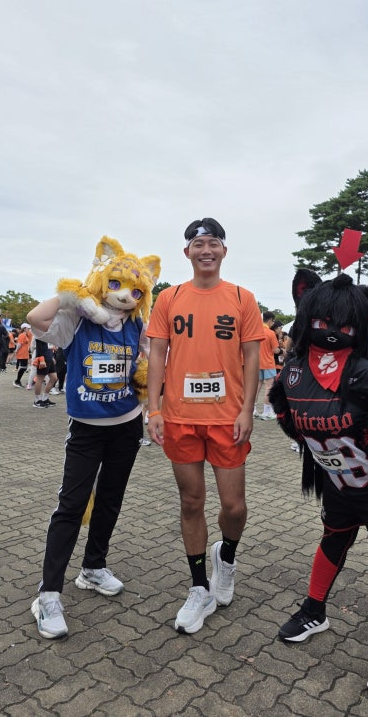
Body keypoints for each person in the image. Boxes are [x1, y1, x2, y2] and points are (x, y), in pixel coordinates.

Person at [270, 270, 368, 696]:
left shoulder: (364, 371)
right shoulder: (294, 369)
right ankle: (314, 610)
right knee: (332, 539)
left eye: (344, 324)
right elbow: (283, 406)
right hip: (338, 484)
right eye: (323, 321)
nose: (332, 331)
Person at [27, 235, 160, 639]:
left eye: (135, 290)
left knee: (110, 500)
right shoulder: (78, 320)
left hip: (127, 424)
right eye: (117, 285)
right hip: (86, 429)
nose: (125, 295)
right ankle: (48, 594)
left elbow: (157, 357)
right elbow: (36, 318)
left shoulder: (137, 324)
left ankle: (93, 567)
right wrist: (74, 294)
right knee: (70, 505)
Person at [146, 217, 263, 634]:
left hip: (227, 418)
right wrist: (154, 409)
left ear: (224, 251)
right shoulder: (169, 298)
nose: (206, 250)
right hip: (180, 417)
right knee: (191, 502)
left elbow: (252, 358)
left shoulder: (242, 298)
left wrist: (247, 410)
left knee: (234, 506)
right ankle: (199, 589)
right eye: (198, 245)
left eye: (213, 243)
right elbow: (157, 354)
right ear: (187, 253)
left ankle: (225, 558)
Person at [255, 311, 279, 420]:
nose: (273, 323)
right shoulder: (270, 333)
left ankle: (253, 410)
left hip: (257, 363)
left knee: (257, 387)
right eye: (273, 321)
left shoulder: (256, 330)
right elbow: (275, 350)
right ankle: (267, 412)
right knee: (269, 387)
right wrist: (280, 351)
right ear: (269, 320)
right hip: (268, 363)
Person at [13, 324, 32, 388]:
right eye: (28, 328)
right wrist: (16, 350)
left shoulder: (24, 335)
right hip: (22, 353)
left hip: (24, 353)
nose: (29, 330)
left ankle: (18, 381)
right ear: (24, 328)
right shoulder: (22, 335)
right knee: (23, 367)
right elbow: (19, 344)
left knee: (24, 367)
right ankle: (17, 381)